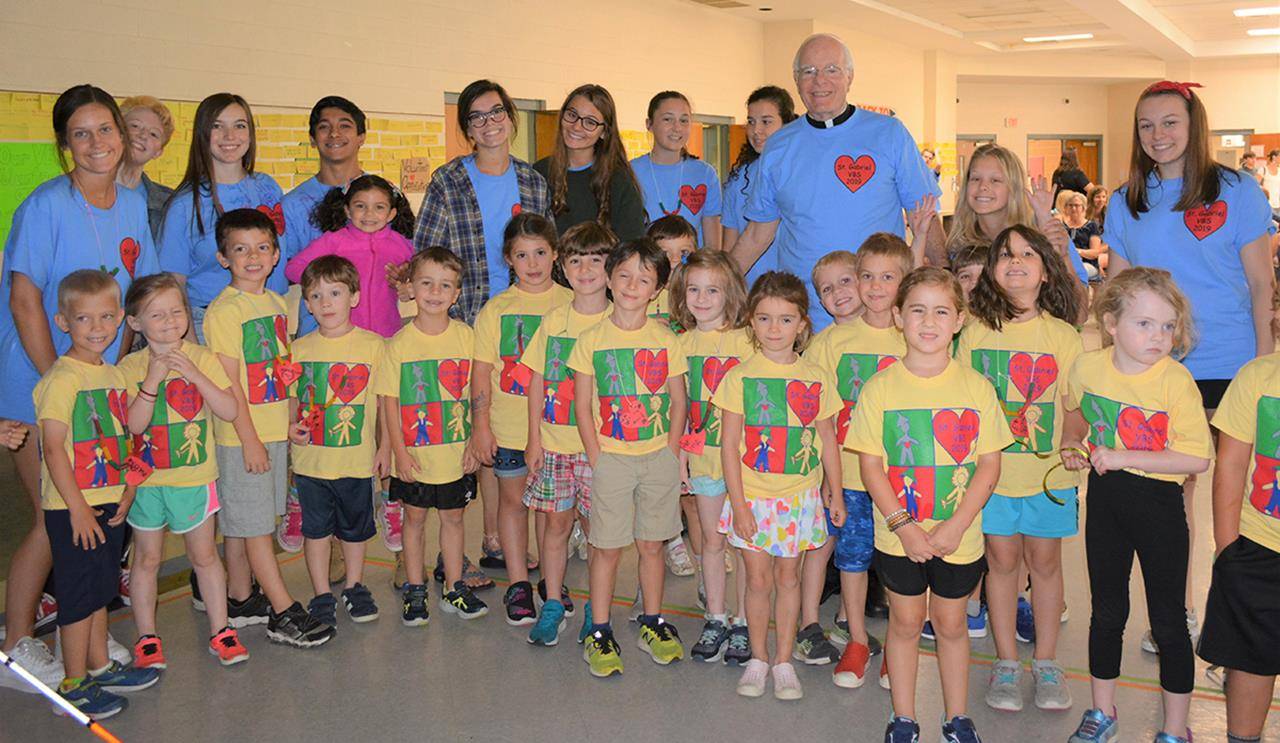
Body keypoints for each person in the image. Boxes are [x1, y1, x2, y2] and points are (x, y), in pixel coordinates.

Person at [1103, 81, 1275, 653]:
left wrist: (1264, 362)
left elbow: (1259, 284)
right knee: (1170, 496)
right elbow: (1118, 291)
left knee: (1242, 493)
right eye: (1147, 125)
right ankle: (1176, 611)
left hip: (1230, 362)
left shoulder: (1238, 190)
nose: (1158, 135)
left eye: (1169, 122)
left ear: (1193, 124)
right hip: (1155, 364)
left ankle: (1244, 610)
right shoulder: (1127, 199)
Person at [0, 85, 158, 691]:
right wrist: (60, 386)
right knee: (55, 519)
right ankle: (16, 644)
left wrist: (110, 385)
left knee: (92, 514)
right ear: (64, 144)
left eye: (106, 130)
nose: (97, 144)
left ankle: (86, 637)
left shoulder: (131, 203)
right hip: (41, 383)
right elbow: (24, 300)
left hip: (98, 387)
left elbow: (124, 298)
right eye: (82, 133)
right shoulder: (44, 206)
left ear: (122, 136)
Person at [847, 266, 1012, 743]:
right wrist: (905, 527)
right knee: (904, 622)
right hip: (900, 536)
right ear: (898, 317)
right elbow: (872, 467)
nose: (928, 321)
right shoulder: (879, 389)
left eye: (941, 311)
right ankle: (903, 717)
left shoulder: (977, 388)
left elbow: (988, 466)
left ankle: (956, 716)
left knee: (951, 622)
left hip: (958, 537)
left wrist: (956, 525)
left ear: (959, 321)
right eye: (917, 310)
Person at [1062, 268, 1213, 743]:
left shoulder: (1176, 381)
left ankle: (1173, 729)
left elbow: (1197, 458)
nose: (1159, 337)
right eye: (1144, 324)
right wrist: (1072, 443)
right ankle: (1102, 713)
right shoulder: (1088, 368)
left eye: (1168, 326)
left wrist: (1123, 455)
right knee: (1106, 613)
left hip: (1160, 507)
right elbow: (1075, 411)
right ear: (1110, 324)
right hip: (1107, 503)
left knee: (1168, 621)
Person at [728, 33, 944, 330]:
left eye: (831, 70)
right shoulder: (779, 146)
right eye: (809, 72)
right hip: (804, 320)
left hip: (879, 316)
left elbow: (925, 214)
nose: (819, 82)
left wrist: (945, 276)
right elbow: (757, 234)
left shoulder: (889, 134)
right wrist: (721, 284)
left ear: (850, 76)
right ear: (796, 79)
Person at [959, 225, 1083, 713]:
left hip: (1049, 480)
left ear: (1045, 269)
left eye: (1027, 254)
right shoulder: (972, 333)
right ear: (991, 269)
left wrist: (1072, 437)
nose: (1016, 262)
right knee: (1001, 565)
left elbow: (1072, 404)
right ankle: (1007, 661)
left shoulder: (1064, 336)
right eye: (1005, 255)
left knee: (1046, 566)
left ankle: (1047, 661)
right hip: (991, 482)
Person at [201, 208, 335, 648]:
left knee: (245, 521)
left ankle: (241, 598)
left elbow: (282, 370)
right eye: (240, 250)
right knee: (258, 527)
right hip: (244, 436)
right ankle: (282, 610)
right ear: (224, 258)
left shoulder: (276, 304)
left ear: (276, 254)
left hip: (273, 430)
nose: (253, 257)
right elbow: (227, 382)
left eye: (262, 247)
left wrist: (292, 418)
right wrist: (249, 439)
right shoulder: (224, 312)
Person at [36, 270, 162, 719]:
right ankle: (72, 683)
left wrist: (128, 490)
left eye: (107, 317)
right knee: (76, 596)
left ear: (120, 320)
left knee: (101, 589)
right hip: (75, 507)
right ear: (62, 321)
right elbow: (52, 447)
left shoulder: (111, 373)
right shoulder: (62, 378)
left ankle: (99, 664)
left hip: (109, 501)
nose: (97, 328)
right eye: (84, 318)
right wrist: (77, 509)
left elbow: (126, 437)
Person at [715, 270, 843, 700]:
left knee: (790, 577)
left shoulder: (817, 376)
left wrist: (835, 492)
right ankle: (758, 657)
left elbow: (827, 439)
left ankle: (785, 660)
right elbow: (729, 447)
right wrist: (740, 504)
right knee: (757, 580)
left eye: (786, 319)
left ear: (802, 323)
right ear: (751, 321)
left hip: (799, 499)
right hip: (751, 498)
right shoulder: (739, 377)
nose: (775, 328)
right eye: (765, 318)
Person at [570, 237, 688, 678]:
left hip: (657, 456)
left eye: (644, 279)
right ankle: (599, 629)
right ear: (609, 279)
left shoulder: (666, 339)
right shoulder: (591, 339)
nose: (632, 286)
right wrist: (598, 456)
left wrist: (672, 451)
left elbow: (679, 401)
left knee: (652, 545)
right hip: (612, 460)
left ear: (657, 289)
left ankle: (652, 621)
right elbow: (582, 405)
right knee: (605, 548)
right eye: (624, 276)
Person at [118, 273, 246, 668]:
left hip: (194, 479)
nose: (171, 320)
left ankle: (221, 630)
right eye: (157, 314)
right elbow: (134, 425)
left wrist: (194, 374)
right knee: (146, 560)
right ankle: (146, 638)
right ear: (135, 322)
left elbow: (229, 410)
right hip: (149, 483)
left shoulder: (203, 357)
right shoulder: (129, 366)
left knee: (205, 557)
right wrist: (152, 381)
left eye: (177, 311)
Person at [805, 236, 913, 688]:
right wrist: (829, 480)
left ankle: (898, 647)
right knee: (851, 559)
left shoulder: (912, 333)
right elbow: (821, 418)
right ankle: (855, 640)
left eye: (884, 277)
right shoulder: (831, 342)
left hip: (903, 481)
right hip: (848, 477)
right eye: (866, 276)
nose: (872, 286)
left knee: (899, 567)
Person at [470, 214, 571, 626]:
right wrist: (480, 425)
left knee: (555, 513)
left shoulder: (570, 303)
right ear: (509, 260)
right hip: (509, 427)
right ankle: (517, 585)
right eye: (522, 255)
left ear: (556, 254)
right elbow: (480, 372)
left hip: (560, 432)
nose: (532, 263)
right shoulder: (497, 310)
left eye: (541, 253)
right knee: (513, 504)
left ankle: (552, 580)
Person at [377, 247, 487, 625]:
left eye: (445, 285)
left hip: (456, 456)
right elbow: (389, 403)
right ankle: (415, 588)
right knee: (415, 521)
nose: (435, 292)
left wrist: (474, 440)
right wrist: (398, 454)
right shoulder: (397, 345)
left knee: (454, 520)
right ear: (410, 287)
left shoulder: (468, 338)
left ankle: (454, 587)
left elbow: (477, 394)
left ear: (456, 293)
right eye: (426, 283)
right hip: (416, 458)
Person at [519, 221, 613, 646]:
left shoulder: (620, 321)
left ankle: (599, 602)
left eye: (597, 259)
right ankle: (553, 601)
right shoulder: (554, 320)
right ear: (564, 267)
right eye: (576, 260)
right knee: (555, 526)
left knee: (599, 531)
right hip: (555, 444)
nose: (586, 268)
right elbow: (537, 379)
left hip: (603, 451)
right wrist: (534, 438)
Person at [288, 256, 390, 629]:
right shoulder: (299, 350)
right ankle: (320, 593)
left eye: (335, 293)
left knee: (355, 530)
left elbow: (384, 404)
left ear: (355, 297)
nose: (326, 302)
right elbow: (292, 400)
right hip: (310, 464)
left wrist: (386, 449)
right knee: (315, 532)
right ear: (307, 303)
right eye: (316, 295)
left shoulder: (374, 346)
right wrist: (289, 426)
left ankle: (354, 585)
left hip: (356, 463)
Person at [415, 79, 552, 324]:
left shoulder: (533, 182)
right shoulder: (448, 182)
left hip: (526, 317)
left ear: (510, 118)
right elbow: (427, 254)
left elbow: (548, 251)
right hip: (465, 317)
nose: (488, 123)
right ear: (468, 129)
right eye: (477, 117)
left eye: (497, 112)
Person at [672, 250, 753, 664]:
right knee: (711, 540)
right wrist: (682, 458)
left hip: (745, 465)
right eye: (694, 289)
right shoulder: (680, 344)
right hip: (703, 459)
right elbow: (681, 407)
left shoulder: (749, 341)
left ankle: (743, 621)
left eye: (712, 290)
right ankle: (716, 616)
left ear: (731, 294)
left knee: (743, 543)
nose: (702, 299)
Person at [1199, 349, 1280, 743]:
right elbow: (1230, 465)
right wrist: (1228, 547)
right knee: (1251, 659)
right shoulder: (1257, 378)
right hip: (1259, 547)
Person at [159, 93, 287, 341]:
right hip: (210, 323)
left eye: (239, 125)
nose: (230, 136)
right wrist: (191, 344)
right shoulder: (186, 204)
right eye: (217, 126)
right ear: (202, 134)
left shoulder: (268, 189)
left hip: (270, 317)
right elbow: (174, 282)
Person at [285, 174, 414, 338]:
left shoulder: (401, 244)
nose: (369, 214)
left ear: (391, 214)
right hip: (341, 336)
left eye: (379, 207)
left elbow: (423, 270)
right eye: (360, 206)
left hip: (387, 335)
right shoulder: (333, 241)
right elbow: (293, 269)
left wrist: (408, 277)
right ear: (347, 210)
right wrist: (330, 275)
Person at [282, 96, 368, 337]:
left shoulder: (383, 196)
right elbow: (284, 271)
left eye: (345, 125)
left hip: (375, 335)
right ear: (312, 139)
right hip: (315, 337)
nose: (334, 133)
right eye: (324, 127)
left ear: (361, 137)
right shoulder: (293, 204)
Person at [947, 143, 1089, 287]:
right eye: (975, 179)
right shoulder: (960, 244)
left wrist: (1062, 257)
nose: (983, 186)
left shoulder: (1043, 229)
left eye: (995, 180)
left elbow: (1081, 304)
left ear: (1013, 187)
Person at [534, 84, 646, 242]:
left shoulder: (619, 181)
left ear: (605, 132)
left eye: (590, 122)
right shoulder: (539, 173)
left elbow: (632, 246)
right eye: (572, 115)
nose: (577, 126)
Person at [722, 86, 797, 288]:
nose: (756, 130)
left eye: (766, 121)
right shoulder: (738, 179)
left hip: (789, 290)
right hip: (747, 289)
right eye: (751, 121)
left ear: (787, 124)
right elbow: (729, 245)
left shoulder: (800, 172)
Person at [631, 91, 722, 248]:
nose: (677, 128)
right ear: (649, 124)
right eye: (668, 119)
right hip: (646, 269)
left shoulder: (705, 174)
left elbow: (712, 245)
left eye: (684, 120)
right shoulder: (630, 171)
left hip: (691, 269)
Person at [116, 96, 176, 241]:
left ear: (158, 152)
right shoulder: (79, 191)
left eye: (153, 134)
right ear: (117, 132)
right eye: (135, 126)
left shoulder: (170, 203)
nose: (142, 135)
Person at [1056, 190, 1107, 279]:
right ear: (1066, 208)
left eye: (1076, 205)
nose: (1073, 208)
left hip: (1087, 264)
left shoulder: (1091, 226)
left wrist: (1076, 252)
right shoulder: (1062, 226)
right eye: (1070, 205)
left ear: (1083, 208)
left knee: (1072, 271)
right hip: (1065, 262)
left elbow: (1095, 253)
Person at [1262, 149, 1280, 223]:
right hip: (1267, 204)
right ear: (1274, 157)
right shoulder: (1263, 169)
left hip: (1278, 204)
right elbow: (1256, 185)